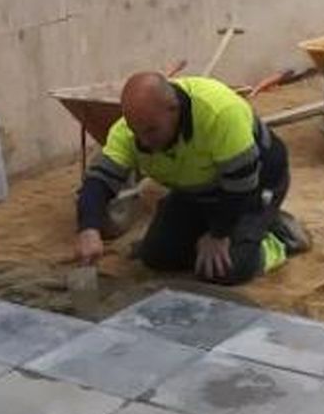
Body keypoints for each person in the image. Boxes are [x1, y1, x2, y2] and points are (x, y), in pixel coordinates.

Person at [74, 71, 307, 284]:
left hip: (255, 185)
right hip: (197, 190)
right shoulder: (130, 130)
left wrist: (218, 234)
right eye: (137, 132)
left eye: (152, 130)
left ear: (173, 109)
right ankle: (217, 230)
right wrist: (89, 228)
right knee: (157, 256)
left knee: (225, 269)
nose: (144, 142)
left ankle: (278, 237)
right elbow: (98, 181)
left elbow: (242, 186)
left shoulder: (219, 114)